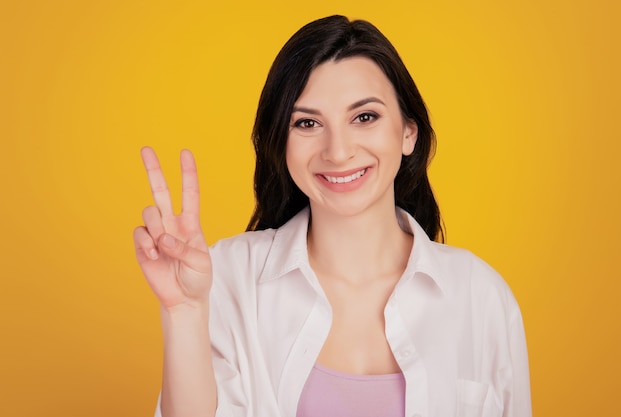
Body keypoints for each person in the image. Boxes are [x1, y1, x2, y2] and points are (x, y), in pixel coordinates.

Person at [134, 15, 531, 417]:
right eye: (307, 123)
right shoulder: (226, 278)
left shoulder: (480, 296)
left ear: (408, 132)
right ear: (281, 143)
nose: (338, 151)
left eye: (364, 117)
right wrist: (183, 312)